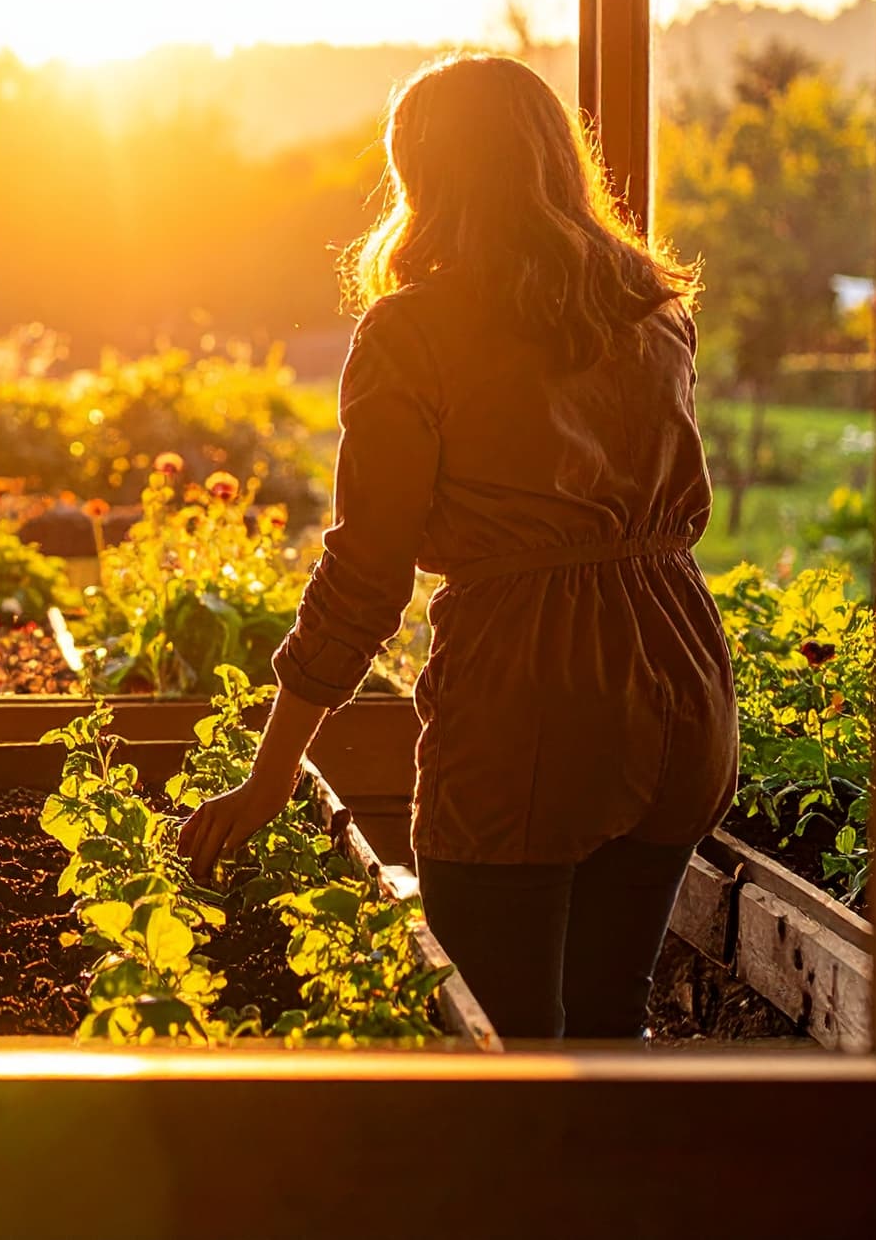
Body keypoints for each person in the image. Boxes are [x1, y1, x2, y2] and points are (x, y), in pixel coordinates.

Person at [178, 53, 737, 1043]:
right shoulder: (658, 311)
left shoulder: (416, 329)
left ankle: (524, 1201)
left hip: (531, 698)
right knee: (613, 1021)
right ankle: (622, 1198)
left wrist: (271, 776)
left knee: (503, 1042)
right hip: (684, 681)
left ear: (421, 176)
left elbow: (365, 572)